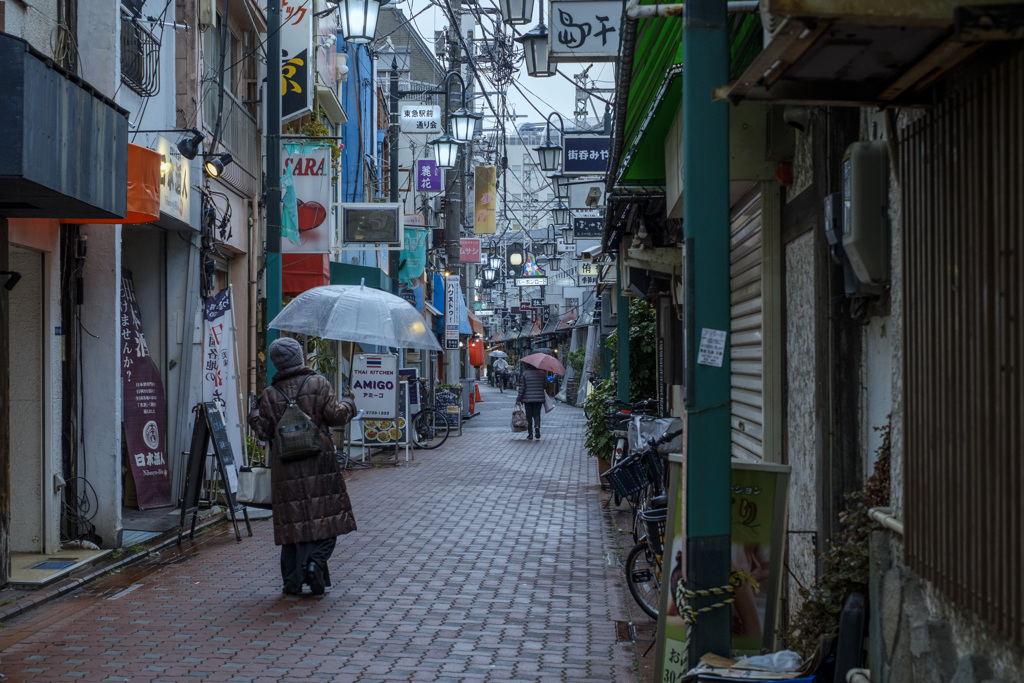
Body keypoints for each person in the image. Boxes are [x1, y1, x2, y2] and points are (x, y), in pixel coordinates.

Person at [248, 337, 357, 596]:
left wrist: (253, 414)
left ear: (276, 363)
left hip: (286, 468)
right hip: (320, 463)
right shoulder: (318, 383)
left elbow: (264, 432)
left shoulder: (270, 394)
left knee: (291, 524)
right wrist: (350, 404)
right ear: (299, 357)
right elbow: (336, 416)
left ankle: (292, 582)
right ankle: (315, 563)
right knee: (329, 519)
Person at [516, 362, 548, 440]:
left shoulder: (525, 374)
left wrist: (518, 399)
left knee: (529, 416)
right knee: (537, 414)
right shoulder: (542, 373)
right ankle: (537, 426)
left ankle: (530, 434)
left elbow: (522, 388)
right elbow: (546, 385)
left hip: (528, 399)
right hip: (539, 398)